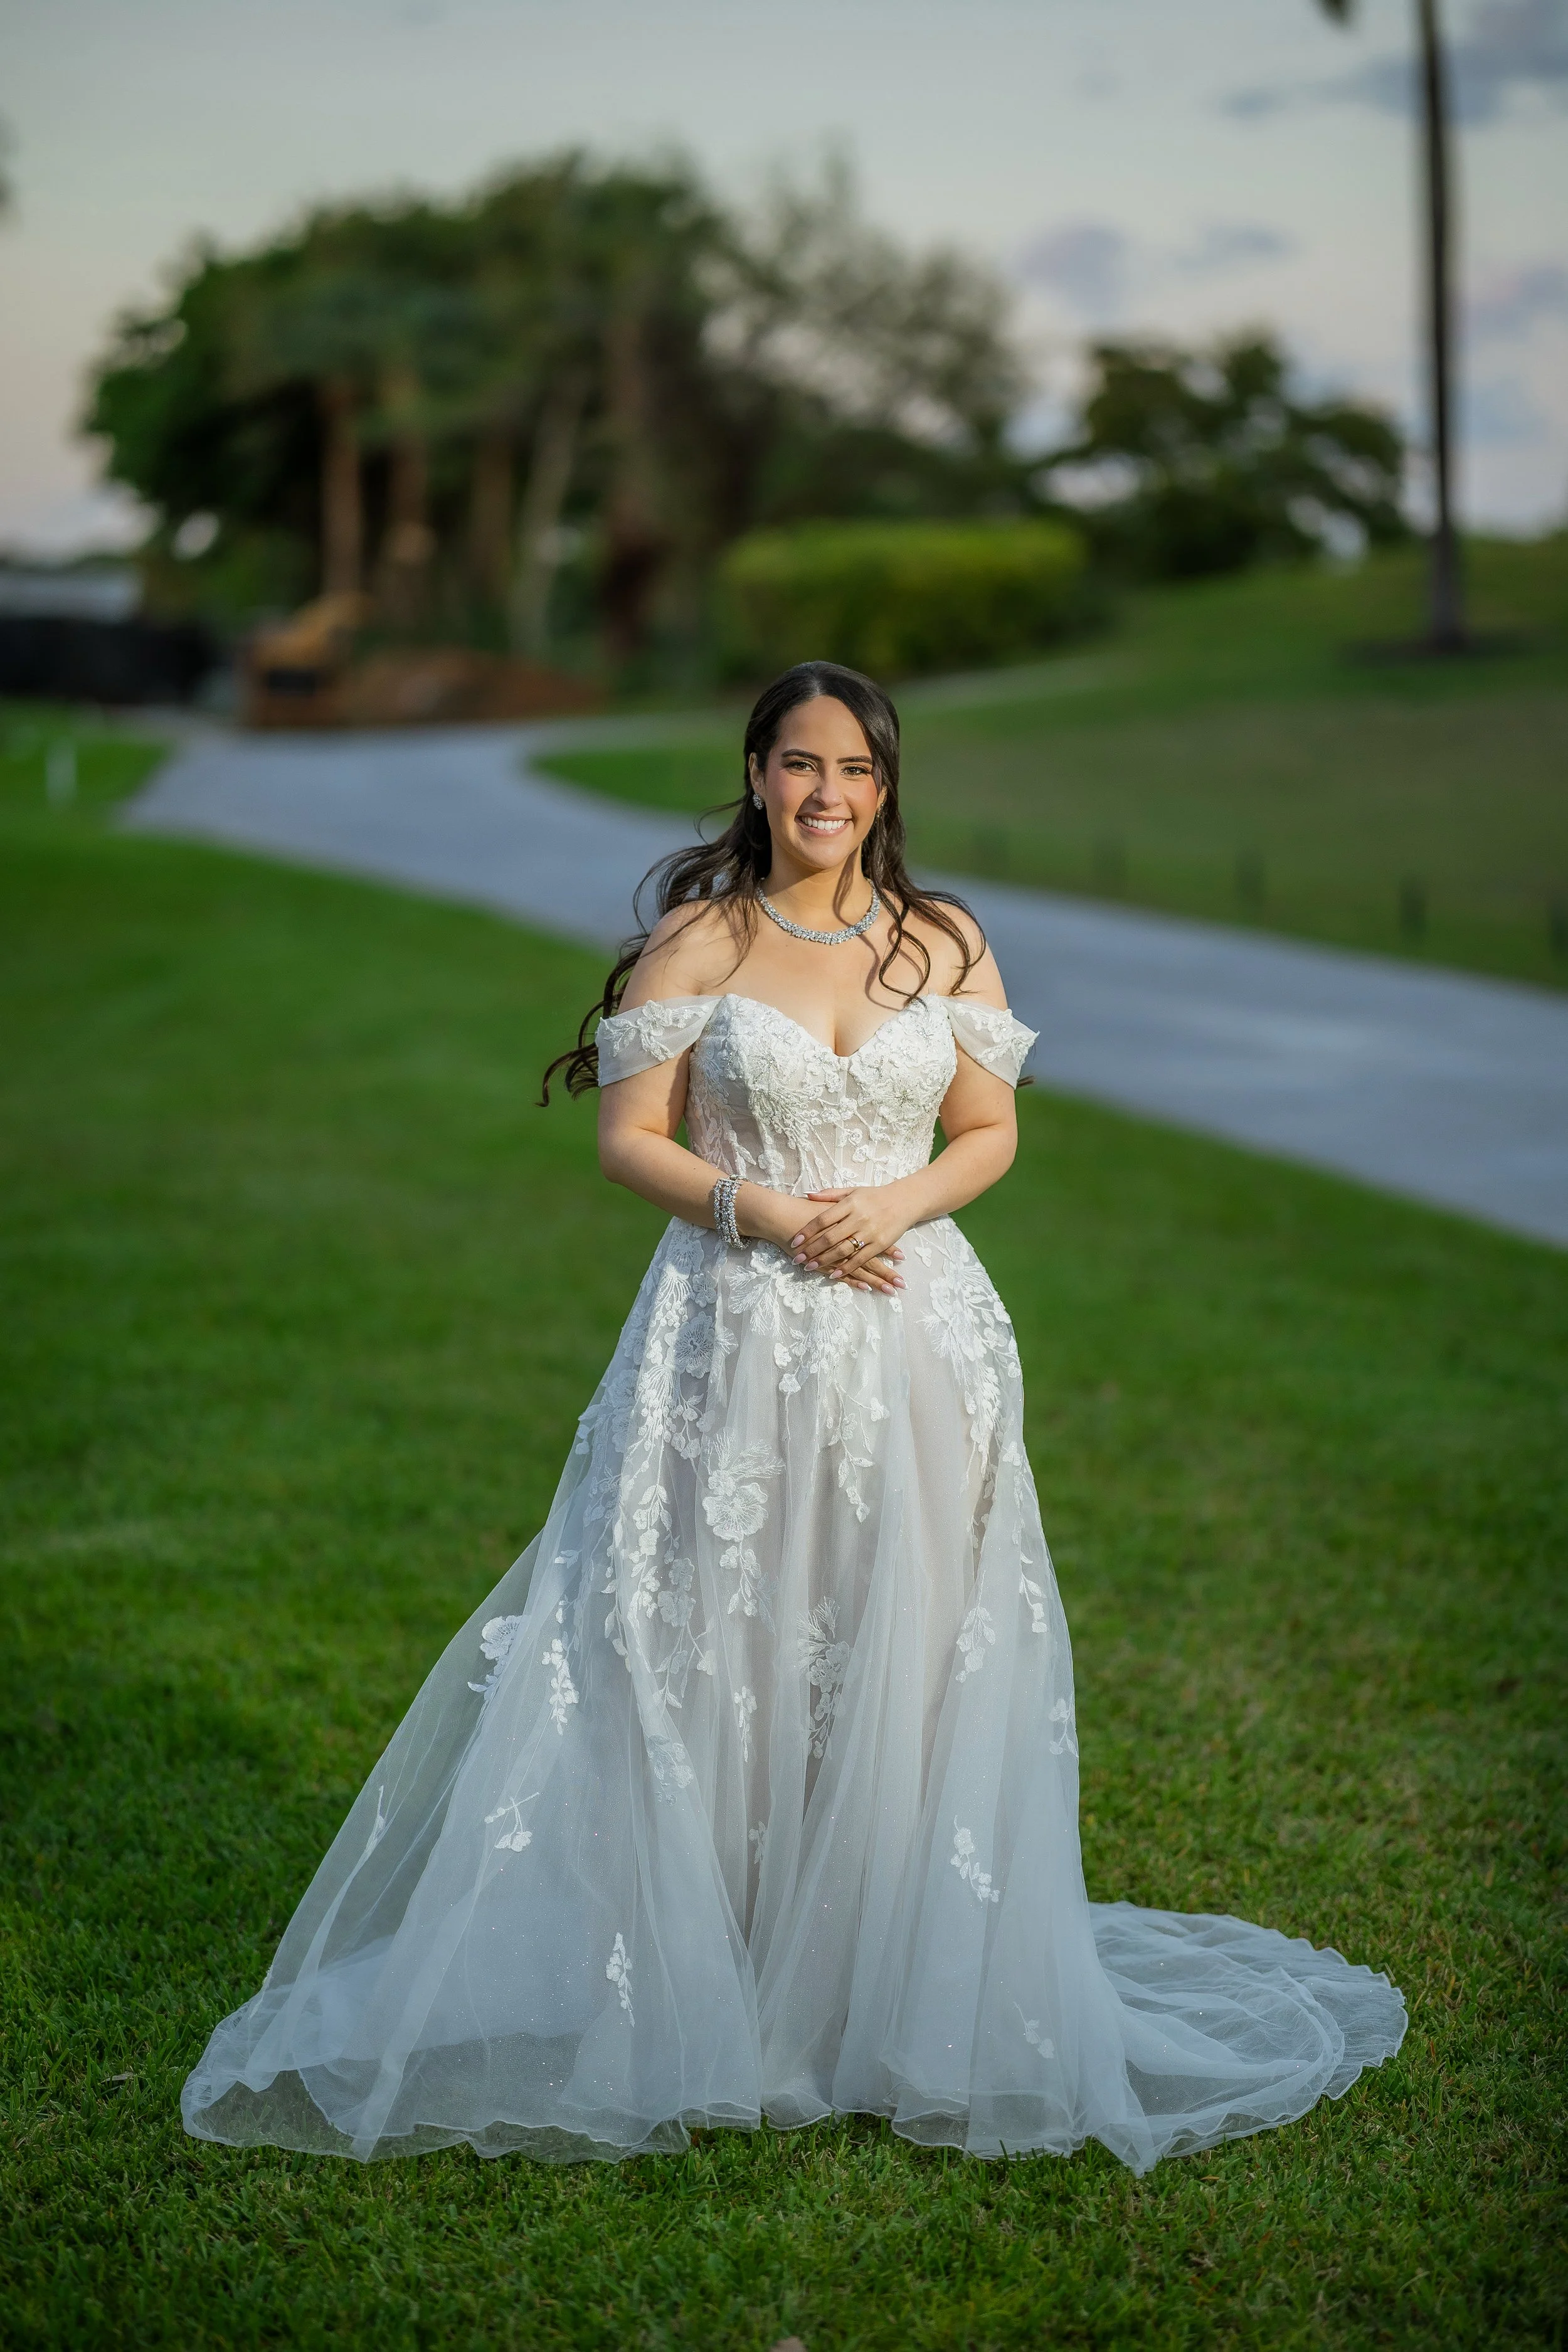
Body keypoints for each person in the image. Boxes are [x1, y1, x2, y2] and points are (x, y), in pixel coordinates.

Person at [182, 661, 1405, 2170]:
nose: (829, 796)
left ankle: (887, 1985)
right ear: (755, 773)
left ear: (885, 789)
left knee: (907, 1634)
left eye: (858, 771)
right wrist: (761, 1211)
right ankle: (717, 1973)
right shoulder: (698, 937)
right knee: (720, 1631)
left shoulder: (944, 940)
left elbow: (988, 1127)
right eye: (800, 765)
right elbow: (630, 1140)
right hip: (729, 1329)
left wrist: (884, 1202)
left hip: (917, 1327)